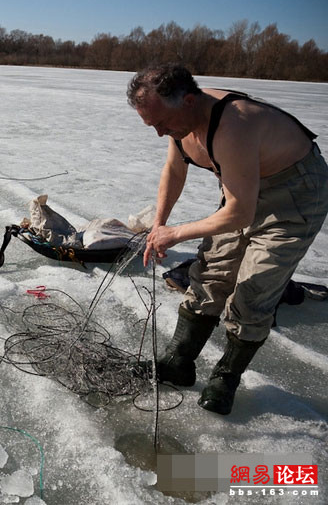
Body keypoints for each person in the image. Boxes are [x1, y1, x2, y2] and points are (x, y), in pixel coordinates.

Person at [128, 64, 328, 415]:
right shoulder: (180, 122)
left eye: (162, 123)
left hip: (295, 195)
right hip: (244, 190)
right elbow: (174, 171)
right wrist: (159, 224)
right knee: (210, 274)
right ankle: (179, 361)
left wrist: (175, 234)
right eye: (152, 126)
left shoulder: (234, 125)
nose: (160, 133)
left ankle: (226, 377)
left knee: (253, 289)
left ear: (188, 101)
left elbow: (240, 214)